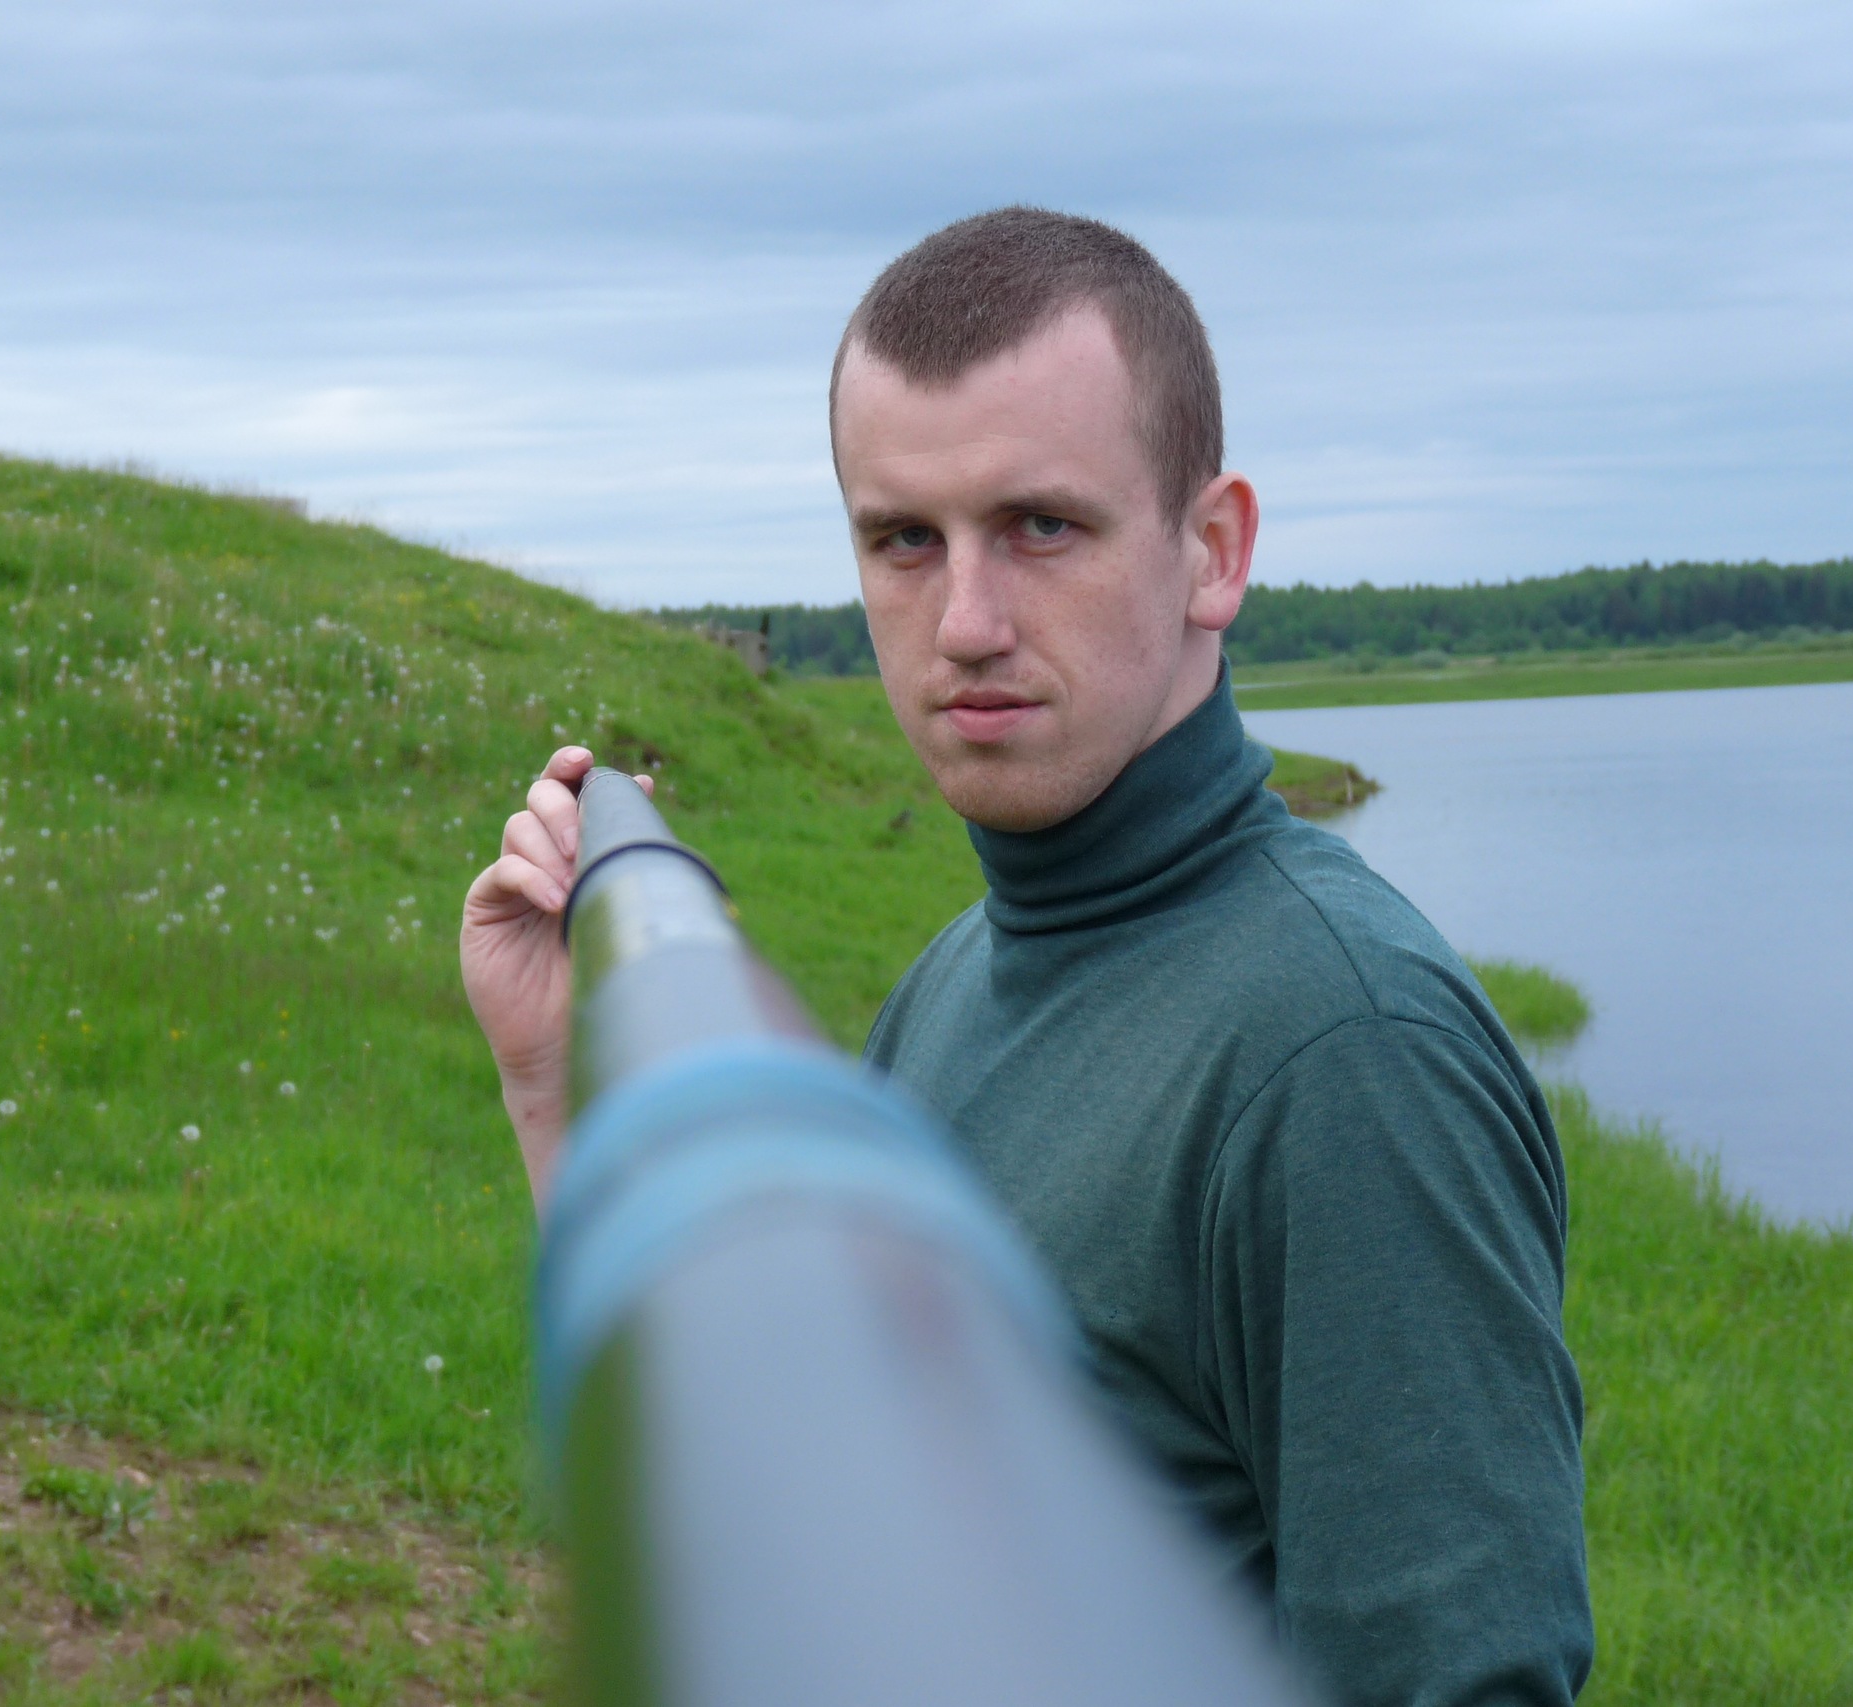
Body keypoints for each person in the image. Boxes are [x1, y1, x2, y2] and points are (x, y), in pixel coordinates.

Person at [460, 207, 1592, 1707]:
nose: (966, 623)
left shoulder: (1346, 1057)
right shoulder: (951, 984)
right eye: (903, 541)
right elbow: (808, 1550)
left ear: (1212, 551)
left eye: (1041, 527)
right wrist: (561, 1093)